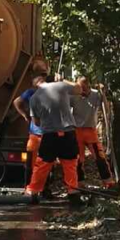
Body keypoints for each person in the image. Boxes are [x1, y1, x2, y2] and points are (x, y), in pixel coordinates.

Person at [27, 75, 83, 205]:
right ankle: (73, 193)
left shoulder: (34, 98)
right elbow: (79, 89)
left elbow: (36, 122)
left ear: (34, 86)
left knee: (42, 164)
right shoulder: (60, 85)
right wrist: (64, 80)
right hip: (68, 133)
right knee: (70, 164)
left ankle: (33, 192)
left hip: (49, 135)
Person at [13, 75, 53, 198]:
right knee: (31, 163)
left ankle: (45, 188)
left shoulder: (51, 94)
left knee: (47, 164)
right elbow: (17, 102)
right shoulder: (30, 93)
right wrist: (25, 115)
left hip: (48, 134)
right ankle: (28, 187)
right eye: (38, 84)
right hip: (35, 134)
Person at [71, 77, 115, 188]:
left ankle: (108, 182)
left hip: (91, 130)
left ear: (89, 86)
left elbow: (106, 108)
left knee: (100, 157)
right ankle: (79, 182)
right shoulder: (74, 96)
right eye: (80, 88)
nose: (82, 91)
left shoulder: (96, 95)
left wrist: (103, 94)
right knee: (77, 159)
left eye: (84, 89)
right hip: (77, 130)